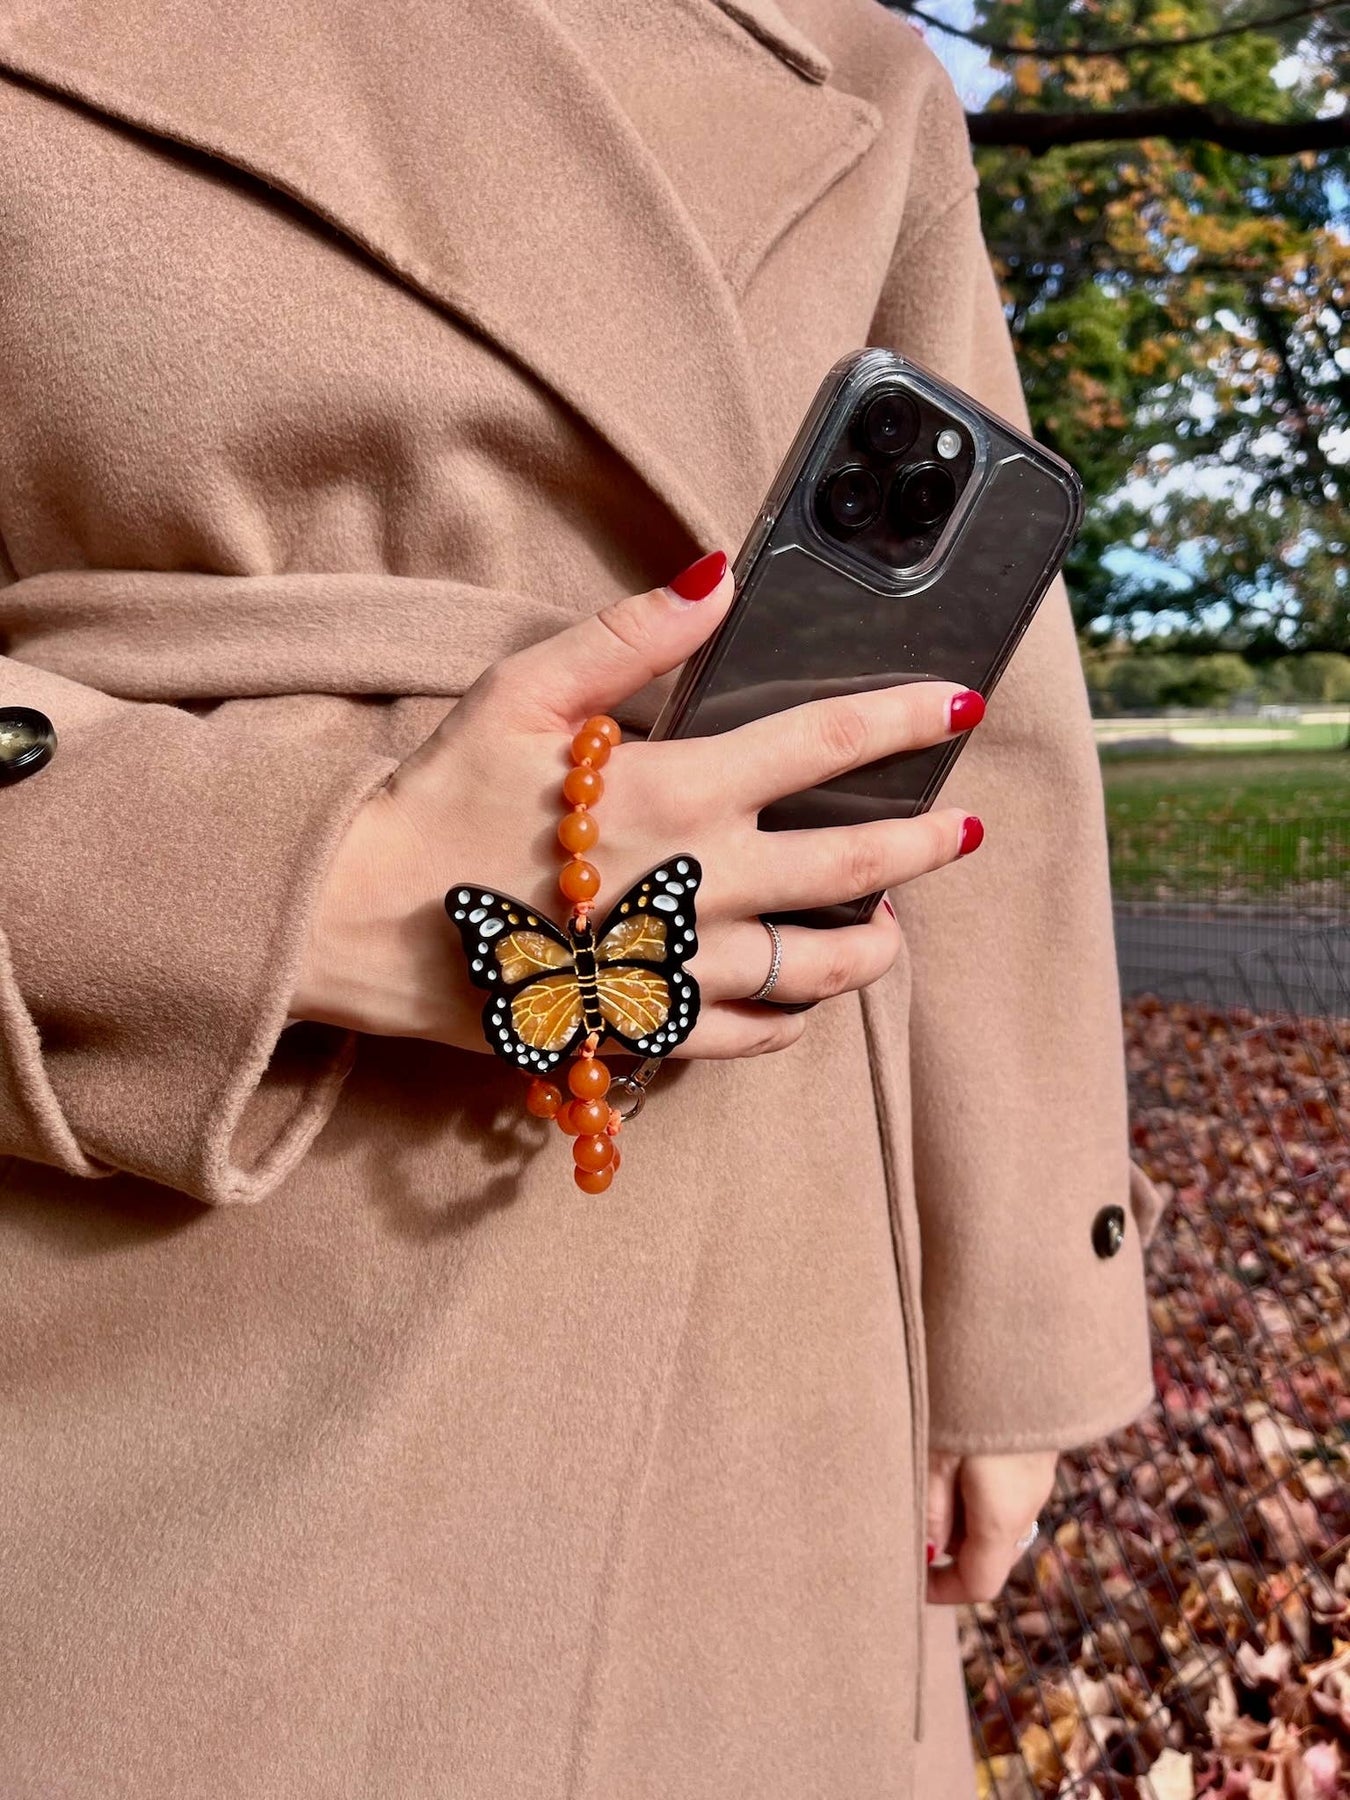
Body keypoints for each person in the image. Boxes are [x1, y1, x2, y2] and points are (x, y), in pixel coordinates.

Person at [0, 1, 1161, 1793]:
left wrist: (1012, 1314)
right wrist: (285, 881)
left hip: (781, 1317)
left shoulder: (847, 63)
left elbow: (978, 697)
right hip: (174, 1251)